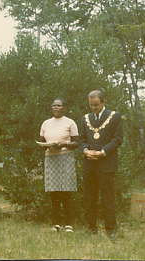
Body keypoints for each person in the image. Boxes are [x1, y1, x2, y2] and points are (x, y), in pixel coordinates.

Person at [79, 90, 123, 239]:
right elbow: (82, 139)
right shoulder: (85, 118)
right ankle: (91, 228)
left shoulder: (115, 116)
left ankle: (111, 229)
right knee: (89, 197)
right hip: (89, 163)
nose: (94, 108)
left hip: (106, 163)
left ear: (103, 102)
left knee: (107, 197)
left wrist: (103, 152)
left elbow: (117, 139)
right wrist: (85, 150)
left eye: (96, 105)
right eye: (91, 105)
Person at [38, 98, 79, 232]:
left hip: (65, 158)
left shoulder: (70, 122)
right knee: (54, 192)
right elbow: (41, 143)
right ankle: (55, 224)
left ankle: (68, 224)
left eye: (59, 105)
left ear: (64, 107)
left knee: (66, 191)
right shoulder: (46, 123)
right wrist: (48, 147)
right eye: (54, 105)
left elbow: (76, 143)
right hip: (51, 159)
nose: (56, 107)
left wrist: (64, 144)